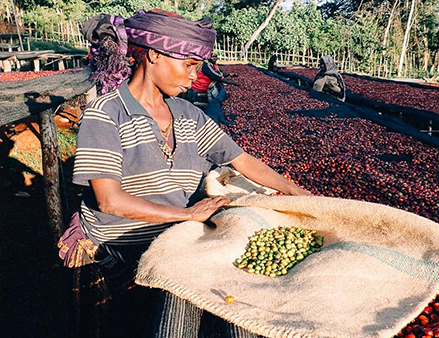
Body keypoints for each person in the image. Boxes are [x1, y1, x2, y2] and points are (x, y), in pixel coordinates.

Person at [62, 9, 311, 338]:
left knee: (233, 293)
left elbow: (241, 160)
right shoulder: (106, 113)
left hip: (179, 231)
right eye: (189, 64)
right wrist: (187, 214)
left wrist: (297, 192)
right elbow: (110, 201)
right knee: (188, 290)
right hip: (127, 236)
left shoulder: (187, 113)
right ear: (153, 55)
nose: (195, 76)